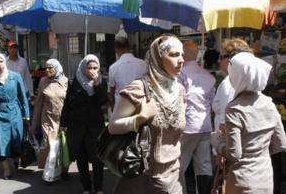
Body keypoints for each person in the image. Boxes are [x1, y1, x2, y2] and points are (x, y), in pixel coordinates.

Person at [108, 34, 186, 194]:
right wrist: (140, 118)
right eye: (174, 54)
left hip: (174, 175)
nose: (181, 60)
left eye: (182, 54)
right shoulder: (138, 89)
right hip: (143, 177)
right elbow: (113, 127)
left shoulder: (180, 90)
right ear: (158, 58)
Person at [224, 43, 286, 194]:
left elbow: (234, 154)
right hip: (265, 178)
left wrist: (217, 141)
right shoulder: (269, 104)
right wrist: (260, 153)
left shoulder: (234, 109)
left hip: (242, 180)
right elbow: (281, 144)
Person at [60, 55, 107, 194]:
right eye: (89, 67)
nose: (92, 70)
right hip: (77, 127)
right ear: (83, 68)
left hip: (95, 127)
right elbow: (67, 104)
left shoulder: (101, 82)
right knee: (81, 159)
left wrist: (97, 84)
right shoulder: (73, 82)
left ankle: (98, 188)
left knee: (97, 159)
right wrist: (63, 123)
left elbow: (103, 101)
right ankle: (86, 187)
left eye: (95, 68)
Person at [178, 40, 215, 194]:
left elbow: (178, 100)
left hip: (188, 125)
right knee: (204, 165)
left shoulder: (180, 74)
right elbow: (213, 103)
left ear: (183, 54)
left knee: (179, 164)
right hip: (205, 125)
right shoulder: (209, 76)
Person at [29, 59, 68, 180]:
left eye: (50, 68)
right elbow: (38, 104)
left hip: (62, 119)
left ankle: (63, 170)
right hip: (47, 118)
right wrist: (33, 125)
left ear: (57, 68)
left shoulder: (66, 81)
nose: (47, 70)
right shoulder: (43, 81)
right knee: (50, 145)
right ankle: (49, 175)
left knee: (62, 145)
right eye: (46, 68)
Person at [212, 39, 252, 131]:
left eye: (221, 57)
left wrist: (218, 142)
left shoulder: (228, 83)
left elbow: (225, 121)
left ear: (231, 58)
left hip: (230, 140)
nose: (218, 61)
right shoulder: (250, 79)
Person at [108, 36, 147, 109]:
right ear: (129, 47)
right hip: (140, 106)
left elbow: (111, 93)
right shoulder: (143, 64)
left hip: (121, 108)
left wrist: (113, 110)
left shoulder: (113, 67)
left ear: (116, 49)